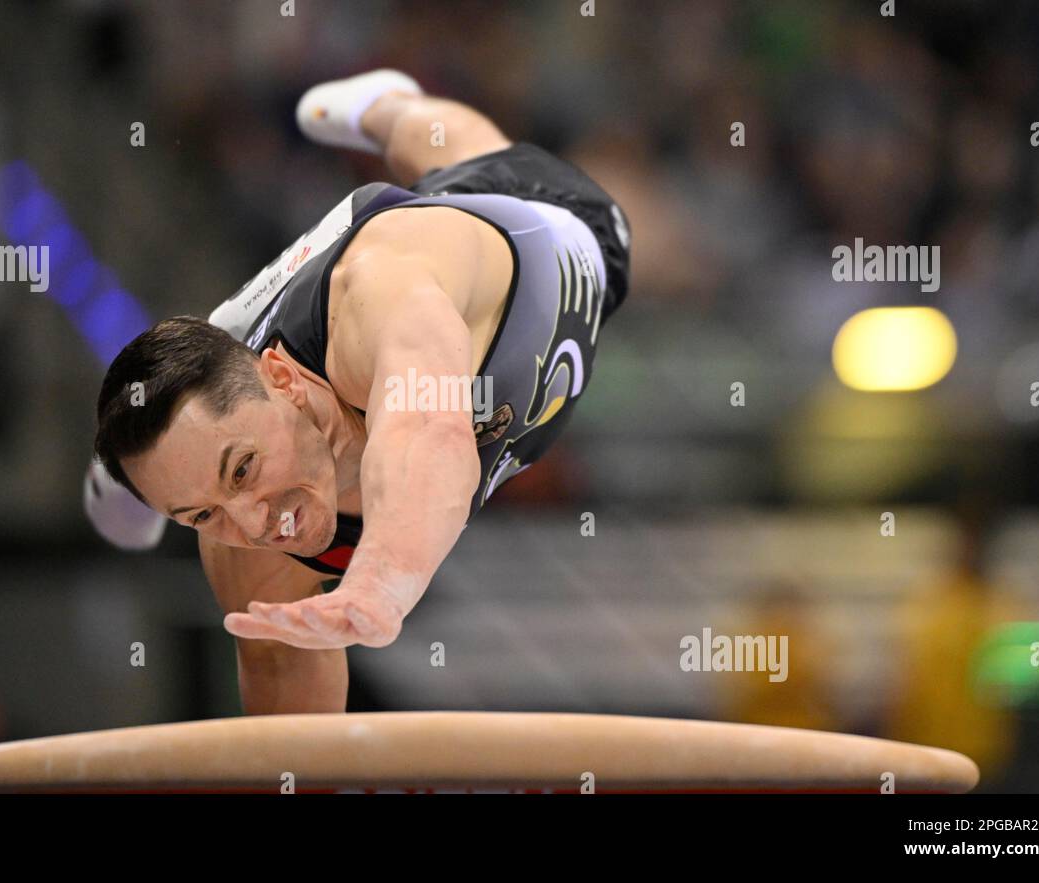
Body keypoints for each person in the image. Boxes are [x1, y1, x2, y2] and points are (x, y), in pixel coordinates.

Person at [88, 70, 631, 713]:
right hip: (270, 360)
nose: (254, 523)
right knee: (154, 482)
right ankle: (125, 488)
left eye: (242, 472)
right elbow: (292, 734)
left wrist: (380, 583)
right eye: (202, 516)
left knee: (441, 143)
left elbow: (428, 435)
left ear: (285, 380)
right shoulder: (241, 542)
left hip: (525, 214)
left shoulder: (386, 303)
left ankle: (379, 103)